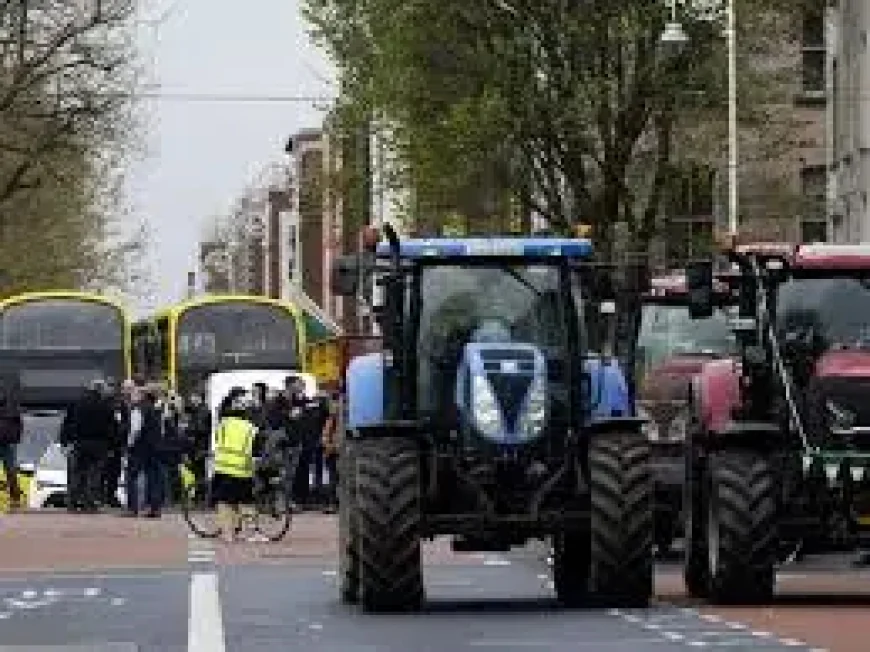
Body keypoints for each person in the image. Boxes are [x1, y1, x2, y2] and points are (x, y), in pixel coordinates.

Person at [212, 391, 259, 543]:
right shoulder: (251, 428)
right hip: (242, 470)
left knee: (224, 502)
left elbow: (218, 442)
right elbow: (255, 450)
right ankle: (250, 532)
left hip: (223, 468)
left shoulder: (223, 424)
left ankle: (228, 535)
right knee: (245, 502)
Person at [66, 379, 116, 512]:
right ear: (101, 390)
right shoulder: (105, 405)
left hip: (80, 443)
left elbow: (69, 423)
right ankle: (89, 503)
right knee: (94, 474)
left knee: (77, 473)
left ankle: (72, 502)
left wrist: (68, 440)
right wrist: (112, 445)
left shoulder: (78, 403)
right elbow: (111, 428)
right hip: (99, 445)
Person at [124, 385, 165, 518]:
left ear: (141, 396)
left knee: (131, 475)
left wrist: (129, 444)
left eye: (134, 395)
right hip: (154, 447)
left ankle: (132, 508)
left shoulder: (138, 409)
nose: (131, 397)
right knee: (154, 477)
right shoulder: (155, 409)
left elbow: (135, 429)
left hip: (139, 447)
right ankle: (155, 508)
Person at [103, 379, 133, 508]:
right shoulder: (113, 404)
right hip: (110, 444)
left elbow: (124, 424)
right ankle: (107, 496)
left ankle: (109, 496)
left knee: (113, 472)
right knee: (108, 472)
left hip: (115, 444)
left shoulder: (119, 404)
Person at [0, 376, 23, 511]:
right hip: (7, 443)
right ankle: (15, 499)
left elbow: (18, 424)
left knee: (11, 471)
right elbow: (19, 424)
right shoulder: (12, 406)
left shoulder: (11, 407)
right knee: (10, 471)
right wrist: (16, 438)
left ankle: (15, 498)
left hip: (7, 443)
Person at [183, 391, 211, 485]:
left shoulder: (202, 411)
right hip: (198, 445)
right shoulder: (198, 410)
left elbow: (201, 428)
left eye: (193, 397)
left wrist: (187, 429)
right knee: (197, 471)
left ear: (198, 397)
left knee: (199, 471)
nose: (191, 399)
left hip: (200, 446)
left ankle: (200, 494)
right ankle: (198, 493)